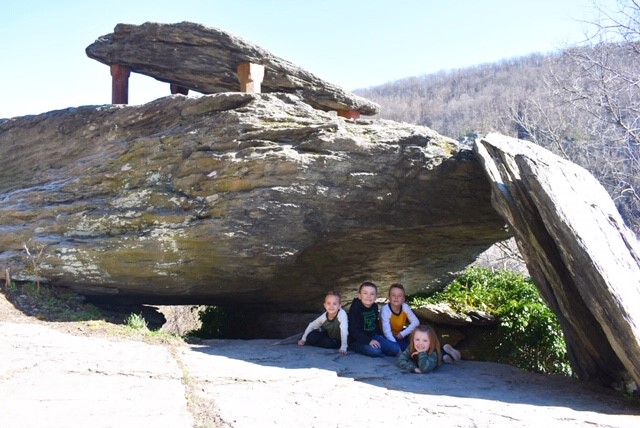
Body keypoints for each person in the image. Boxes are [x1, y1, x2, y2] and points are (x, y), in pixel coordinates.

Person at [348, 281, 400, 357]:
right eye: (365, 293)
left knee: (395, 348)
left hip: (372, 336)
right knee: (375, 351)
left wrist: (379, 335)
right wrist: (369, 341)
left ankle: (384, 350)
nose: (368, 296)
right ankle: (357, 348)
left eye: (372, 294)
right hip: (357, 340)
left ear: (376, 297)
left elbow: (375, 323)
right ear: (359, 296)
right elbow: (353, 330)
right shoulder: (355, 308)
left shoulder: (375, 307)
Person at [397, 325, 462, 374]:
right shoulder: (411, 346)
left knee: (440, 354)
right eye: (417, 339)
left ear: (431, 342)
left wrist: (421, 353)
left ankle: (452, 353)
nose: (420, 343)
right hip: (427, 352)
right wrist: (413, 368)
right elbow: (400, 359)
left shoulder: (433, 352)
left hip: (434, 355)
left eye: (425, 340)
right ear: (413, 340)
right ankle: (446, 357)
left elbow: (424, 368)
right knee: (443, 356)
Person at [380, 283, 420, 351]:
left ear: (403, 299)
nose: (396, 298)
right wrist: (395, 345)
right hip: (387, 336)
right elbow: (387, 333)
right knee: (399, 348)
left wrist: (402, 334)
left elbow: (416, 322)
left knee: (417, 336)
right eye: (393, 295)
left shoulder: (405, 307)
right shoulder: (385, 310)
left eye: (399, 295)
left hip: (399, 334)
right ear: (389, 297)